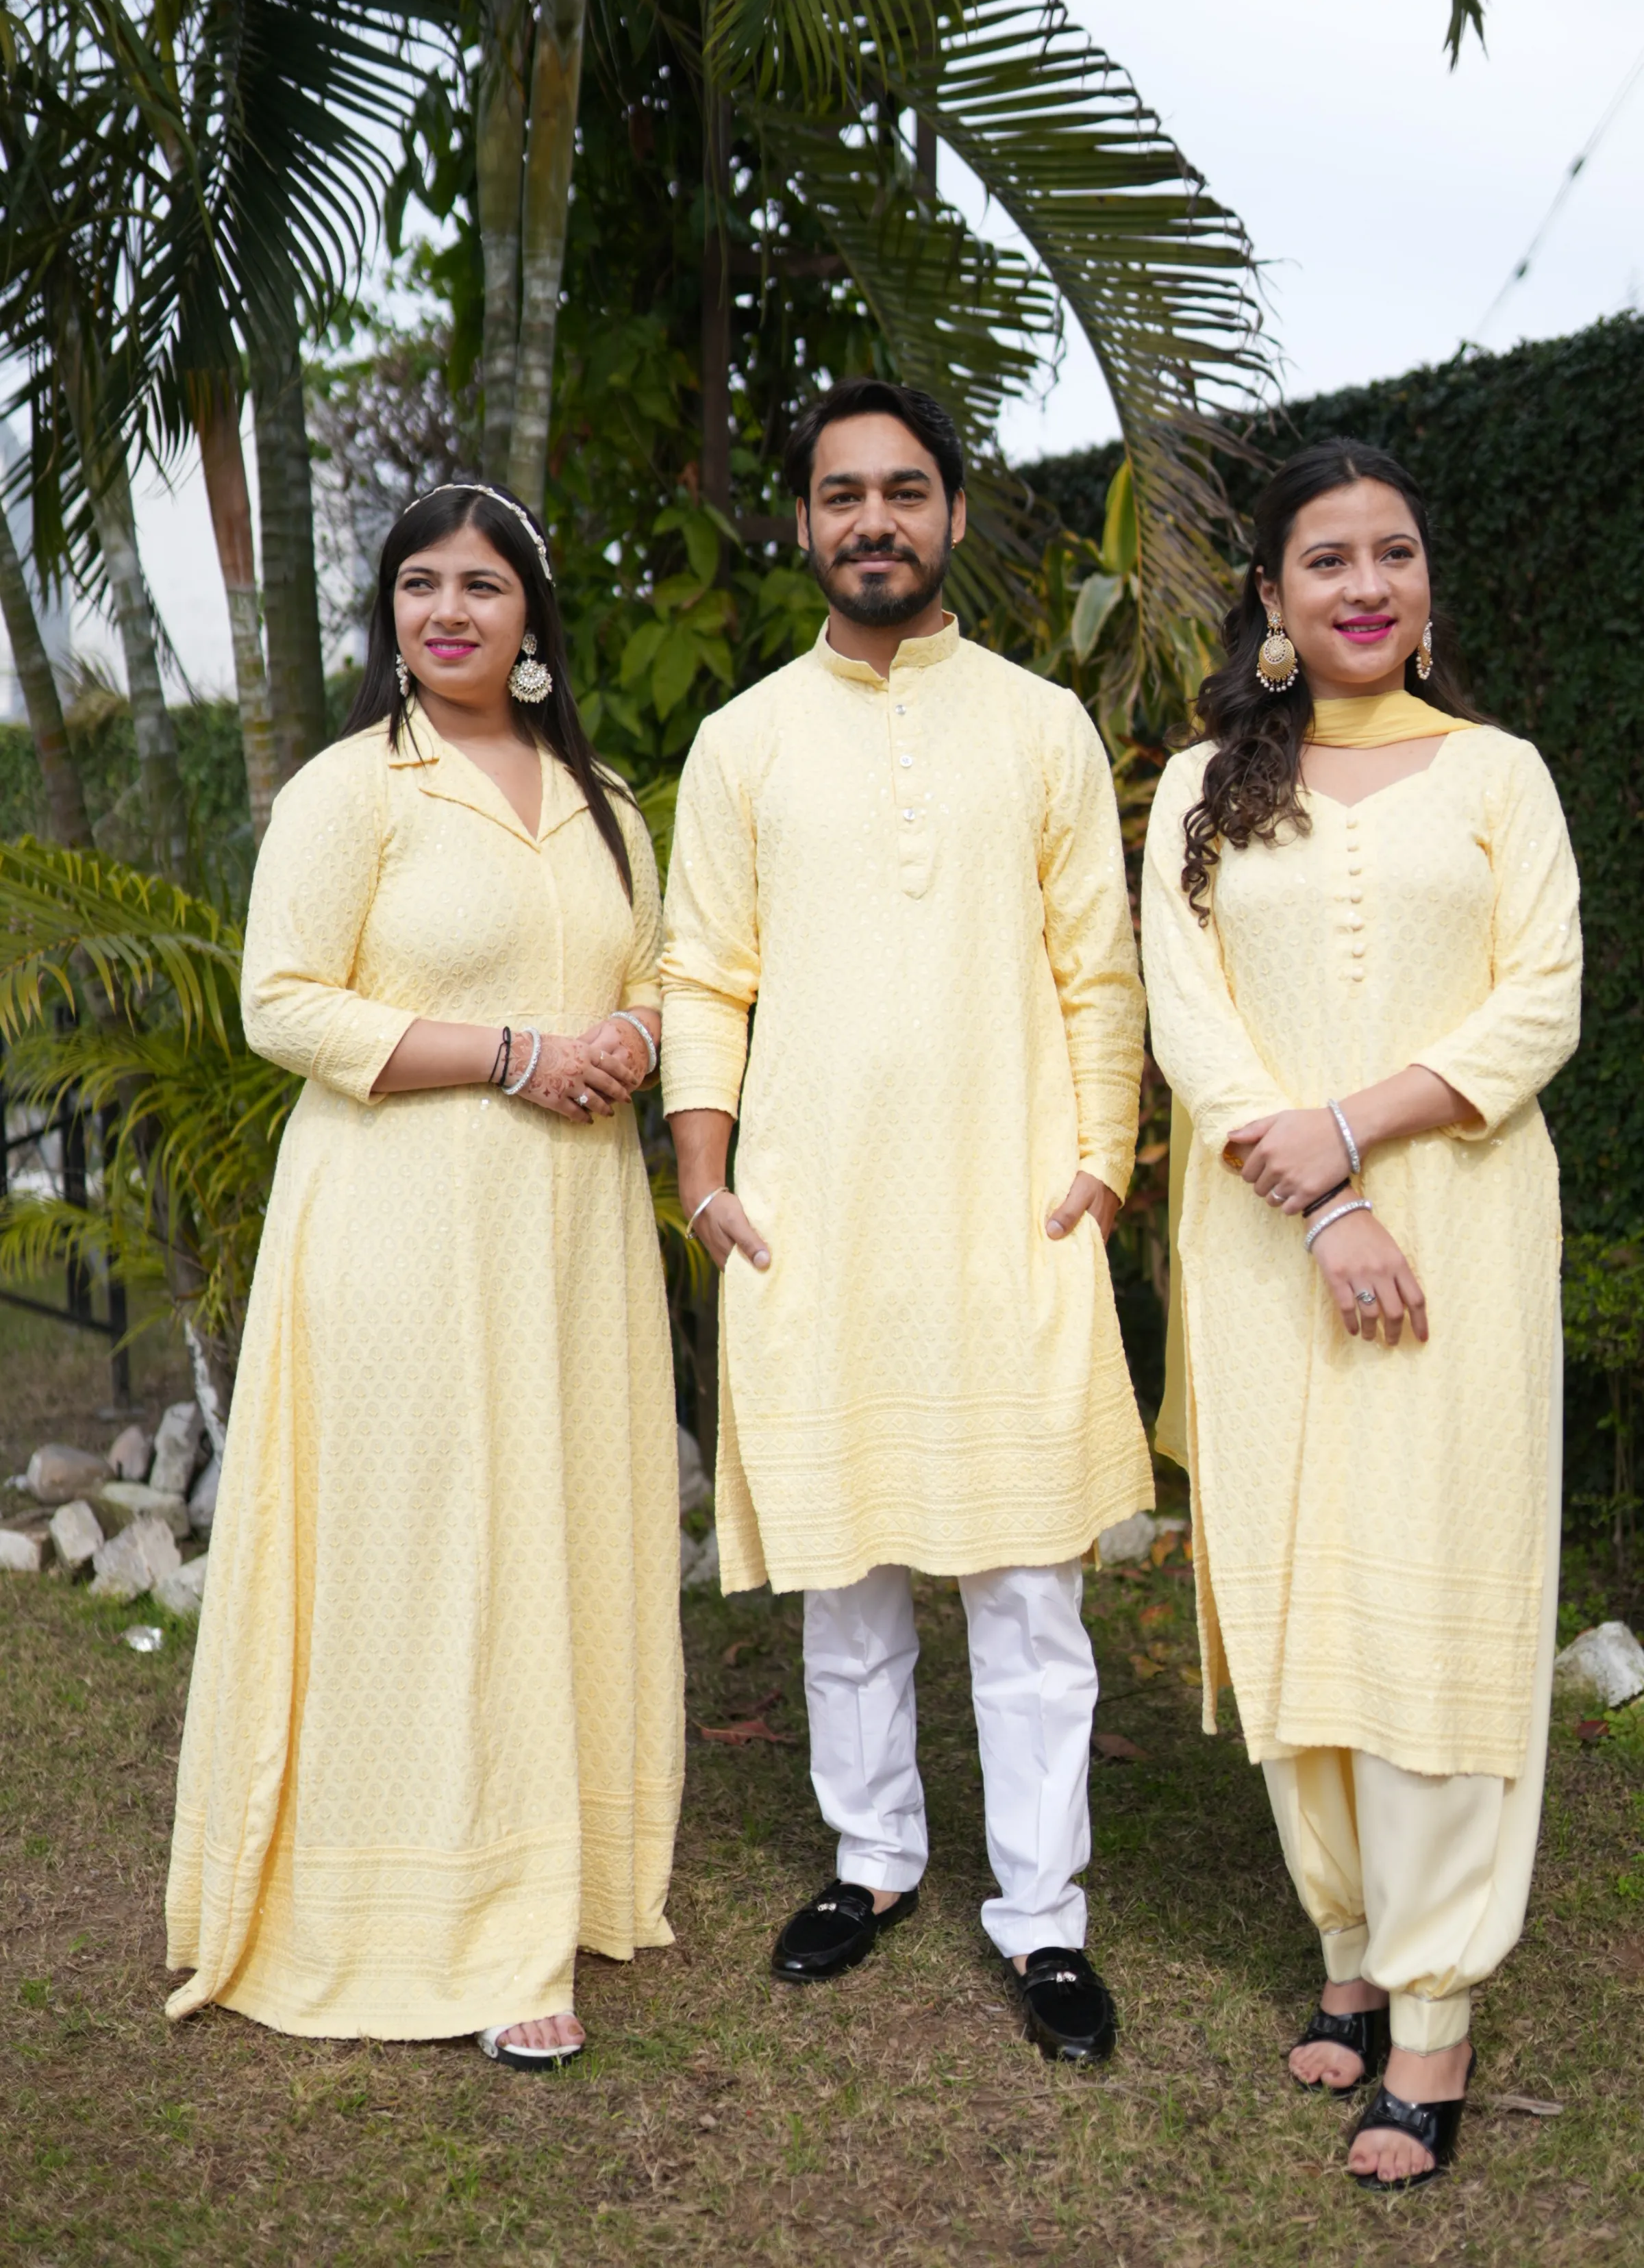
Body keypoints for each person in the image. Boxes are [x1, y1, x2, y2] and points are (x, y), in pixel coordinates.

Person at [660, 379, 1151, 2064]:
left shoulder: (1040, 727)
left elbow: (1100, 960)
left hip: (1011, 1216)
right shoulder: (742, 744)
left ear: (952, 514)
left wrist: (1103, 1168)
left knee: (1030, 1590)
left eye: (907, 490)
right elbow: (701, 973)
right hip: (814, 1222)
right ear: (801, 524)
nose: (875, 517)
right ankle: (871, 1863)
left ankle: (1045, 1918)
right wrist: (706, 1181)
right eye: (842, 493)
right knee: (847, 1579)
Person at [166, 482, 684, 2070]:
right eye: (416, 586)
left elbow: (657, 971)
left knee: (558, 1532)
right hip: (398, 1225)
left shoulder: (605, 805)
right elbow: (284, 1006)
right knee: (422, 1551)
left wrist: (634, 1039)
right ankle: (437, 1916)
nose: (447, 613)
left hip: (573, 1238)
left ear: (534, 617)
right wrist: (518, 1050)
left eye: (482, 586)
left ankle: (558, 1871)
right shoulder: (350, 792)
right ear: (389, 615)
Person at [1141, 440, 1580, 2189]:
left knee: (1436, 1589)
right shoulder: (1197, 790)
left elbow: (1538, 1001)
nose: (1367, 585)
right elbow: (1194, 1026)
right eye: (1327, 560)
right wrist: (1319, 1196)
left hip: (1459, 1235)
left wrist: (1361, 1134)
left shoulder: (1501, 775)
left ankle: (1436, 2014)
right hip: (1265, 1247)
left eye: (1395, 553)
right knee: (1294, 1575)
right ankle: (1343, 1937)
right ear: (1269, 596)